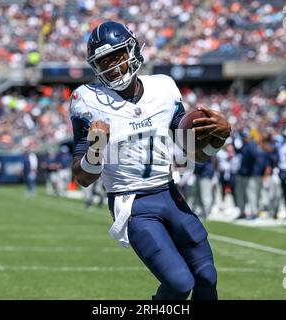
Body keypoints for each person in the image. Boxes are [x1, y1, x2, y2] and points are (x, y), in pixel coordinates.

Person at [70, 21, 231, 300]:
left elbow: (195, 154)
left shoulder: (164, 87)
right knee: (180, 283)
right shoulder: (87, 99)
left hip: (168, 193)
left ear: (132, 49)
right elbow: (83, 179)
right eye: (104, 61)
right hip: (132, 203)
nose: (113, 67)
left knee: (206, 275)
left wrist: (219, 138)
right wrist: (96, 147)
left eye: (117, 56)